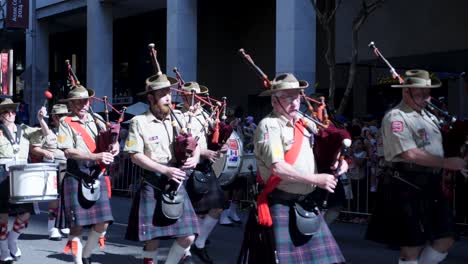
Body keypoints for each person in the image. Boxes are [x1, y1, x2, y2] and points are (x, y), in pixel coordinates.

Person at [366, 69, 467, 264]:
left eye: (427, 92)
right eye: (419, 92)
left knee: (446, 237)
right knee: (411, 246)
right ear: (406, 92)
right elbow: (408, 153)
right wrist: (447, 163)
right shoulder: (396, 117)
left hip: (430, 183)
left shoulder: (428, 116)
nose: (426, 97)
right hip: (405, 183)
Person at [241, 73, 345, 263]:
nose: (294, 102)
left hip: (306, 204)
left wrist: (340, 161)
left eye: (296, 96)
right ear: (274, 101)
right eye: (287, 97)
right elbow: (278, 168)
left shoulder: (306, 123)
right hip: (281, 203)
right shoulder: (269, 126)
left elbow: (327, 147)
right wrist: (315, 179)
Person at [124, 74, 200, 264]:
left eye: (169, 93)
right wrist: (164, 170)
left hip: (176, 182)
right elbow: (135, 155)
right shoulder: (139, 122)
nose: (168, 98)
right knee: (153, 239)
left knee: (188, 236)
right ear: (151, 98)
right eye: (163, 94)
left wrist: (195, 158)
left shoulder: (180, 118)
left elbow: (195, 143)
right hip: (153, 182)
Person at [57, 85, 118, 264]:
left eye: (85, 101)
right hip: (77, 174)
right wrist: (95, 156)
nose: (82, 105)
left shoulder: (97, 119)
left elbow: (110, 141)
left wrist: (115, 146)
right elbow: (68, 151)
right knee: (76, 226)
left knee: (104, 222)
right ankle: (78, 261)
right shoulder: (65, 122)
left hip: (97, 174)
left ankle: (87, 254)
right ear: (71, 104)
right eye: (78, 102)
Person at [179, 82, 227, 264]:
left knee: (218, 206)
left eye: (196, 97)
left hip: (204, 167)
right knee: (187, 212)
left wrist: (219, 147)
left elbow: (211, 139)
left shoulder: (207, 116)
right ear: (183, 97)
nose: (193, 100)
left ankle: (199, 242)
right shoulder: (177, 116)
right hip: (186, 167)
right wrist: (204, 152)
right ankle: (185, 252)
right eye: (189, 96)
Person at [0, 98, 44, 263]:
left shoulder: (24, 129)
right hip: (2, 172)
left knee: (25, 214)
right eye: (5, 111)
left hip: (22, 173)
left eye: (12, 110)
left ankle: (12, 240)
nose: (10, 114)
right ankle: (3, 249)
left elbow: (44, 135)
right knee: (2, 216)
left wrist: (41, 120)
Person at [31, 104, 70, 241]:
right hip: (53, 168)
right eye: (60, 116)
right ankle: (52, 227)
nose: (63, 118)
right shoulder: (45, 130)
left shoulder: (70, 129)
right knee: (55, 198)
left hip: (69, 166)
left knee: (67, 198)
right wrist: (44, 152)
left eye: (65, 115)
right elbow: (35, 148)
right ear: (54, 117)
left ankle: (64, 224)